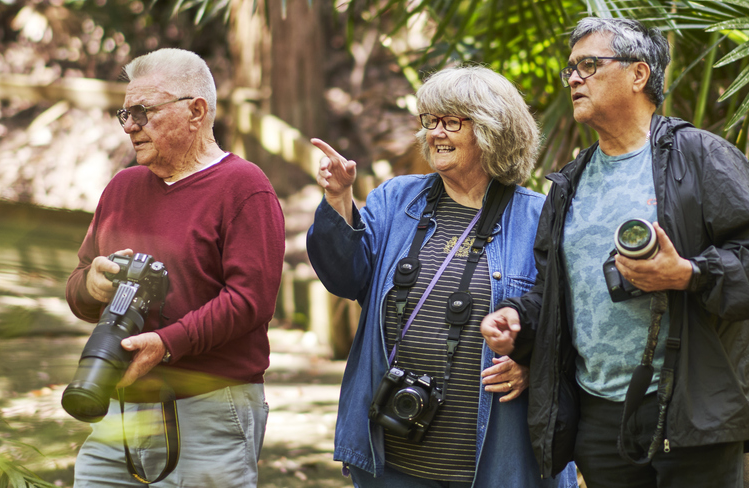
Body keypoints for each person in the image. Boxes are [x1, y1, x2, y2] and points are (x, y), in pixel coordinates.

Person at [479, 18, 749, 488]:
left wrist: (685, 273)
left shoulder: (703, 156)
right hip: (599, 417)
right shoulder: (570, 180)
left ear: (639, 74)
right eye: (571, 70)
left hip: (691, 410)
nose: (575, 79)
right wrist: (517, 319)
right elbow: (554, 291)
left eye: (588, 65)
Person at [308, 67, 577, 488]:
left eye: (451, 121)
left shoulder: (539, 217)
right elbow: (345, 277)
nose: (435, 133)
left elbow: (574, 320)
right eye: (429, 120)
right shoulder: (397, 199)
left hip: (497, 460)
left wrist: (534, 365)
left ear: (492, 130)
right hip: (393, 456)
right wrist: (339, 198)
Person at [64, 48, 284, 487]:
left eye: (143, 112)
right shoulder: (123, 186)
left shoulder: (244, 188)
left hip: (210, 407)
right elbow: (79, 282)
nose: (130, 125)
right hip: (120, 406)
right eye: (125, 113)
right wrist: (92, 285)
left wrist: (165, 344)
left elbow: (249, 302)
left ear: (196, 111)